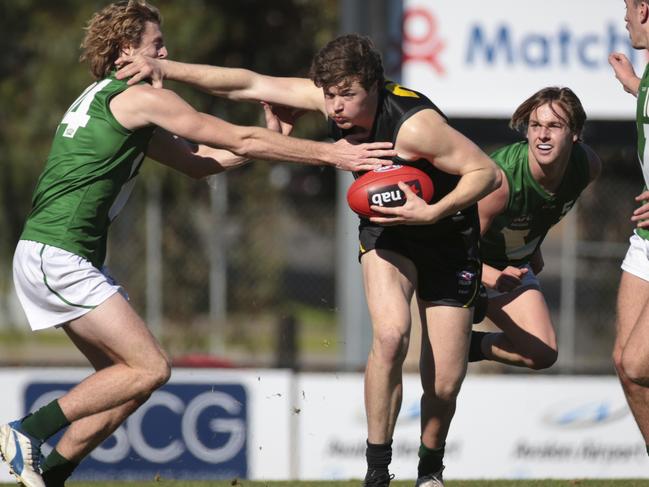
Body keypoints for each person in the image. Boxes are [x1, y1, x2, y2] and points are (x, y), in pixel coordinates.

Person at [0, 3, 397, 487]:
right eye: (157, 45)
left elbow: (199, 161)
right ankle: (26, 432)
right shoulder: (141, 98)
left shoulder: (109, 99)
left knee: (128, 384)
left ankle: (51, 472)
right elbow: (239, 138)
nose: (166, 53)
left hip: (56, 255)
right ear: (128, 50)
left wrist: (272, 137)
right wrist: (331, 153)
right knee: (150, 368)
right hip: (57, 254)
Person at [116, 33, 501, 486]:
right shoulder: (331, 97)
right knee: (392, 336)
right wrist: (166, 69)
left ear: (374, 86)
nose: (335, 108)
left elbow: (486, 172)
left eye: (347, 96)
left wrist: (432, 210)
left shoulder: (415, 127)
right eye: (329, 96)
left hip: (448, 235)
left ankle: (430, 471)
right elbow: (245, 84)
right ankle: (377, 474)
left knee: (443, 383)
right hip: (388, 230)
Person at [466, 87, 601, 369]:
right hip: (460, 268)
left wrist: (533, 245)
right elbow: (450, 245)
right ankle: (449, 342)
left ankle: (469, 344)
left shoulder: (587, 167)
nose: (542, 135)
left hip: (511, 269)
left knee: (542, 353)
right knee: (444, 385)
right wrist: (489, 275)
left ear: (574, 133)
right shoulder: (500, 181)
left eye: (554, 126)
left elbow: (541, 209)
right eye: (535, 125)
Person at [609, 0, 649, 460]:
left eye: (626, 7)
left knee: (640, 363)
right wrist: (635, 87)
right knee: (625, 362)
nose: (624, 19)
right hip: (646, 241)